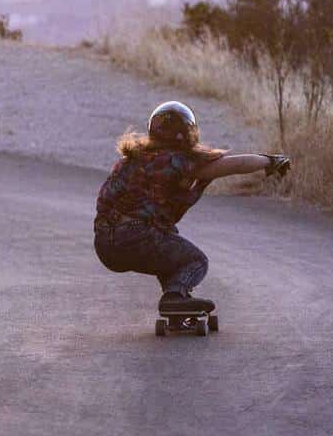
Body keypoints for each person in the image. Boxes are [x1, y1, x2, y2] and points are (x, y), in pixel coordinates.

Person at [94, 101, 289, 314]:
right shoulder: (178, 161)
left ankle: (177, 298)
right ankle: (174, 296)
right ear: (186, 133)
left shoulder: (129, 160)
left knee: (168, 246)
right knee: (196, 261)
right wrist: (271, 161)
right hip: (136, 237)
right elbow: (236, 165)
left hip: (105, 245)